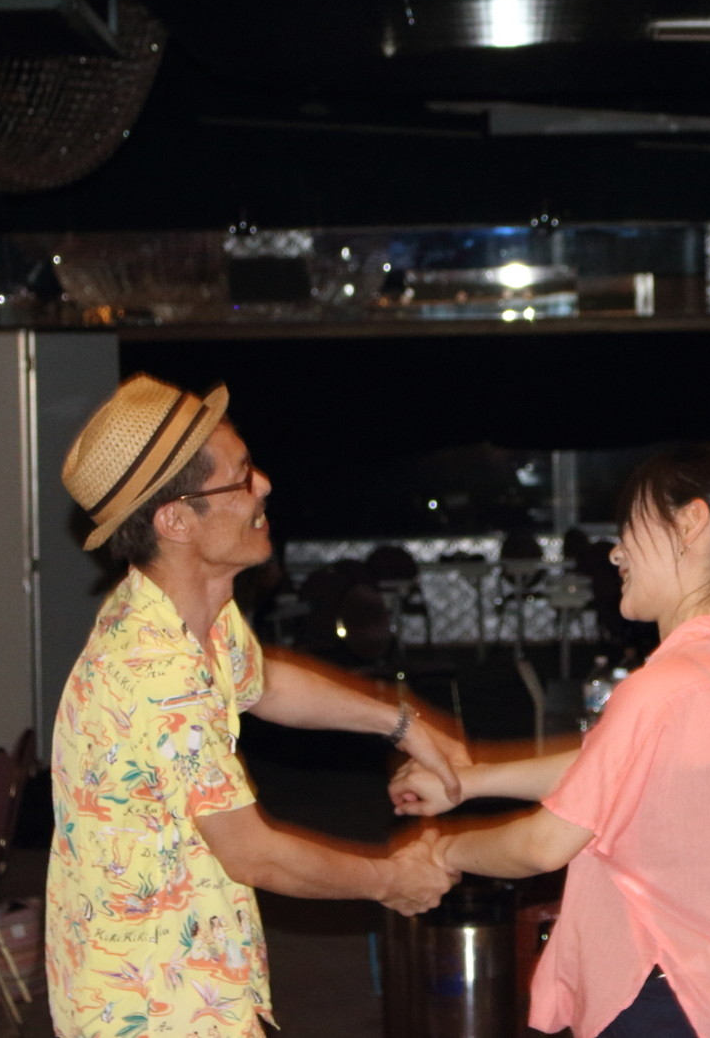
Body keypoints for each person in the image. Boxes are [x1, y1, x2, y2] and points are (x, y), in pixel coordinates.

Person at [48, 374, 467, 1038]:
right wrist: (390, 879)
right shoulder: (154, 668)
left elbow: (264, 683)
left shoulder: (187, 610)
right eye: (240, 478)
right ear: (176, 520)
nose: (264, 485)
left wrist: (402, 722)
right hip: (154, 1007)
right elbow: (253, 854)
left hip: (193, 978)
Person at [393, 442, 710, 1038]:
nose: (615, 552)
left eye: (628, 529)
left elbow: (543, 844)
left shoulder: (668, 686)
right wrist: (467, 781)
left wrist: (440, 851)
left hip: (666, 996)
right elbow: (610, 770)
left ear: (689, 523)